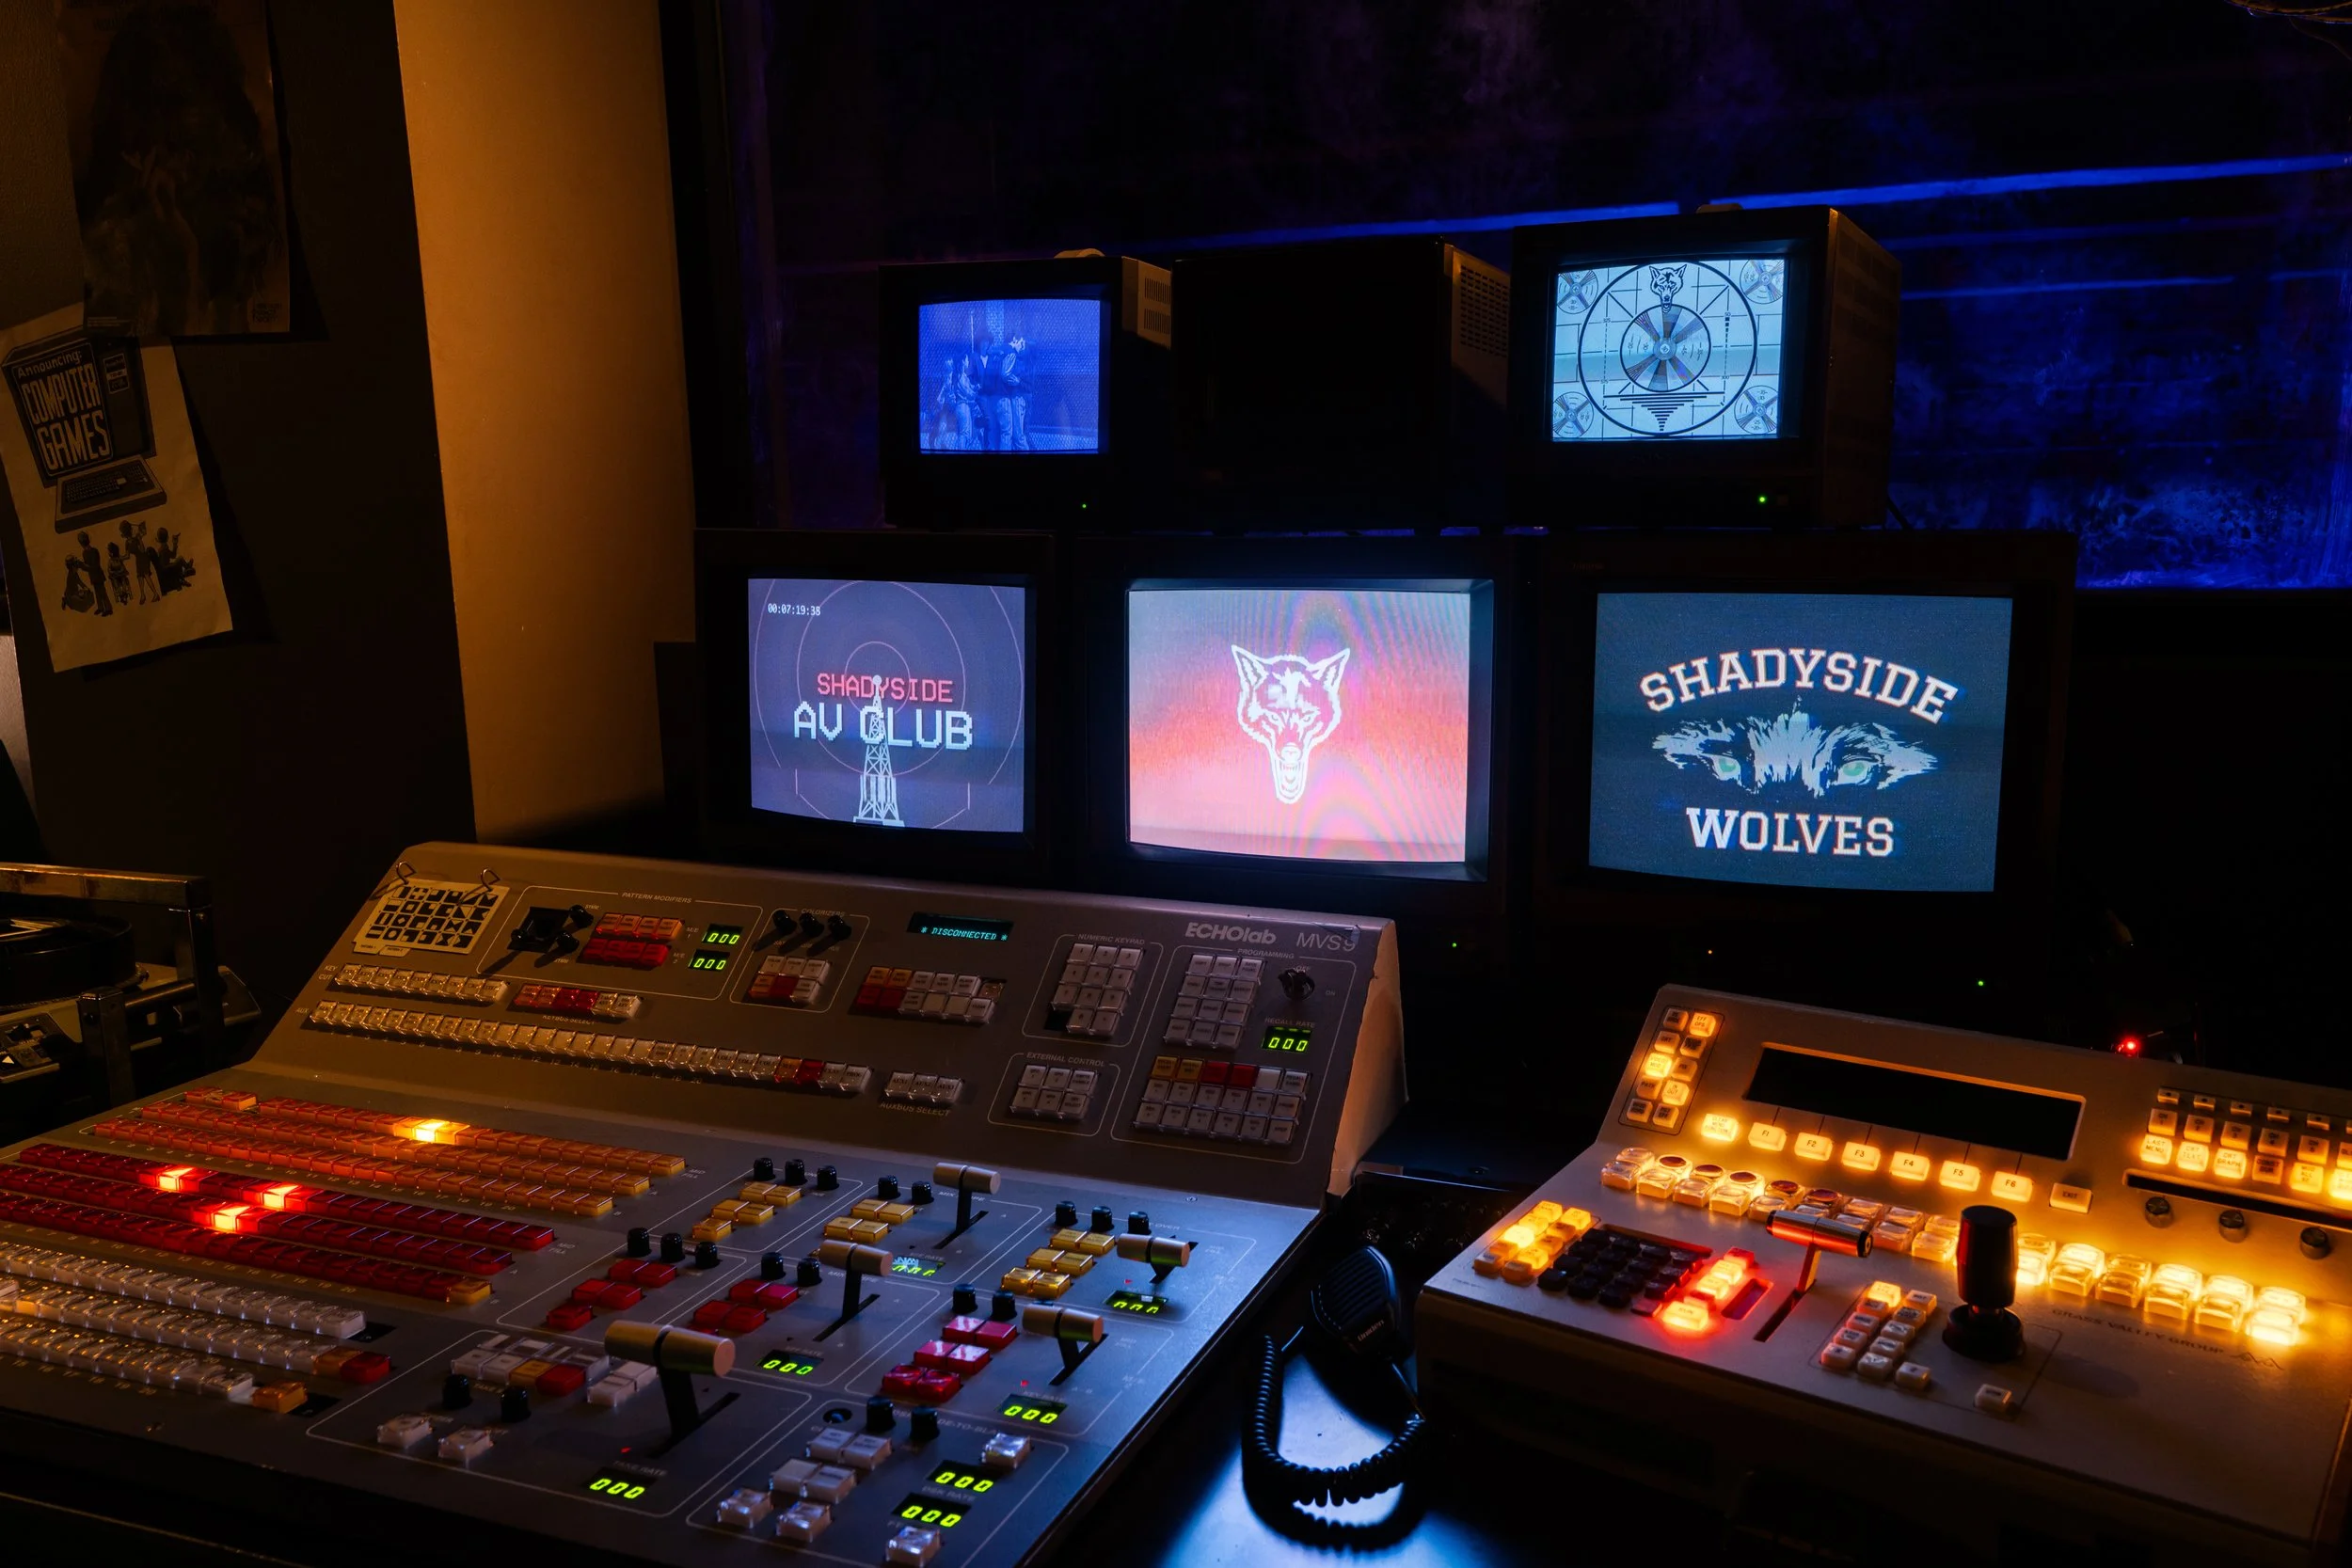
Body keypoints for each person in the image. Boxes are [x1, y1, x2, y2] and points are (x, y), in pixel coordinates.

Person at [993, 332, 1032, 451]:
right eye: (1022, 342)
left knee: (1007, 433)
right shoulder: (1011, 353)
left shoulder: (1000, 351)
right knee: (1009, 434)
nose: (1023, 346)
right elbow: (1005, 374)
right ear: (1015, 340)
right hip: (1005, 397)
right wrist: (1016, 381)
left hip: (999, 397)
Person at [122, 518, 159, 602]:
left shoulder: (136, 539)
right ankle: (143, 595)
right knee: (139, 576)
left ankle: (155, 594)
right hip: (138, 559)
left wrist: (140, 540)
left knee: (146, 575)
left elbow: (142, 550)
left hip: (144, 557)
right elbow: (127, 556)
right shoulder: (127, 542)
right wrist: (120, 558)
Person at [78, 531, 111, 615]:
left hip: (98, 575)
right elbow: (88, 566)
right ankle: (101, 607)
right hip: (93, 576)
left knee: (102, 592)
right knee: (97, 592)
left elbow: (95, 566)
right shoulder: (85, 553)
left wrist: (83, 566)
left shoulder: (94, 551)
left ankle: (108, 608)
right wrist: (83, 566)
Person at [104, 542, 134, 609]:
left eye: (109, 551)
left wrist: (119, 571)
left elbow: (122, 567)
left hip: (121, 574)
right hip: (114, 576)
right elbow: (109, 569)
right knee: (115, 583)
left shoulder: (119, 558)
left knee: (123, 580)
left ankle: (124, 593)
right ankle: (121, 594)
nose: (109, 553)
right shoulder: (110, 561)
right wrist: (113, 572)